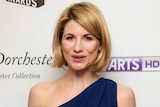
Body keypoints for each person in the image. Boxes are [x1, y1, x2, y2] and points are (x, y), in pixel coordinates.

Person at [28, 2, 136, 107]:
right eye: (70, 38)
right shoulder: (40, 95)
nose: (77, 48)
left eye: (88, 38)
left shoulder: (122, 97)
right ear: (60, 42)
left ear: (101, 44)